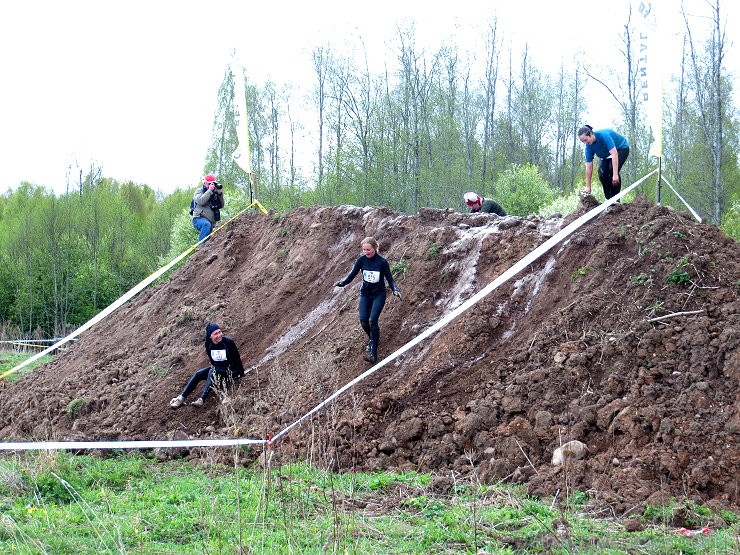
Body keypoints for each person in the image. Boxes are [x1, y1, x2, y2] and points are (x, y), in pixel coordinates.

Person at [334, 237, 401, 364]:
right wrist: (342, 283)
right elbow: (351, 275)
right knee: (364, 320)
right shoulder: (361, 260)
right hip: (365, 294)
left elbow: (390, 279)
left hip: (379, 294)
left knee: (373, 320)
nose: (366, 252)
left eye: (368, 249)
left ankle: (373, 354)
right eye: (364, 250)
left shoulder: (382, 262)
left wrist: (395, 289)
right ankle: (373, 339)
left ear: (375, 247)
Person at [170, 323, 245, 408]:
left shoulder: (228, 343)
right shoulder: (208, 344)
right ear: (210, 336)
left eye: (220, 332)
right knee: (199, 373)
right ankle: (181, 398)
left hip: (230, 371)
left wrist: (239, 374)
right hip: (217, 370)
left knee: (213, 371)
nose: (219, 335)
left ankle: (202, 399)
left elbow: (237, 360)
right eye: (215, 334)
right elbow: (213, 362)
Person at [577, 125, 630, 199]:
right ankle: (608, 199)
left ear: (591, 134)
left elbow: (614, 154)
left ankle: (615, 199)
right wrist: (588, 186)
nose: (585, 143)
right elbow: (588, 167)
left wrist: (615, 174)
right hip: (606, 155)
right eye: (583, 141)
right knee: (602, 173)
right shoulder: (588, 147)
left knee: (612, 171)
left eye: (586, 140)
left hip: (620, 148)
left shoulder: (603, 135)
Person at [192, 173, 225, 243]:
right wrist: (209, 191)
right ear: (205, 183)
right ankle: (200, 248)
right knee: (206, 224)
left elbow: (221, 205)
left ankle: (204, 251)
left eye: (213, 184)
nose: (211, 185)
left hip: (211, 222)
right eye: (209, 184)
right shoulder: (199, 191)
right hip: (199, 218)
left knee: (209, 241)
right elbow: (201, 201)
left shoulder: (214, 193)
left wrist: (219, 194)